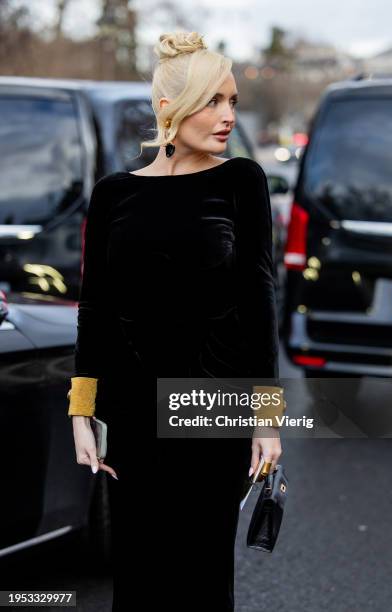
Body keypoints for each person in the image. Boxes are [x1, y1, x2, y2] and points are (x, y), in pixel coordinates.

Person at [67, 30, 286, 611]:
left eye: (233, 101)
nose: (227, 116)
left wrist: (266, 417)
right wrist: (82, 410)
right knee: (136, 579)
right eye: (214, 100)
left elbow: (259, 301)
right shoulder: (113, 194)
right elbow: (95, 307)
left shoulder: (241, 182)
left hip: (211, 410)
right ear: (169, 108)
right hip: (132, 414)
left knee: (202, 578)